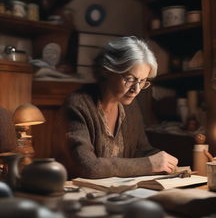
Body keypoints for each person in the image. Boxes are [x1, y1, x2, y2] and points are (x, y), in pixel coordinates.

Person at [53, 36, 178, 179]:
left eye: (142, 81)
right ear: (108, 70)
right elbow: (88, 167)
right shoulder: (77, 104)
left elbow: (141, 151)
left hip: (119, 193)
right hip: (78, 195)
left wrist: (164, 161)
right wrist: (150, 164)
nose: (136, 89)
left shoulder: (130, 107)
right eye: (130, 79)